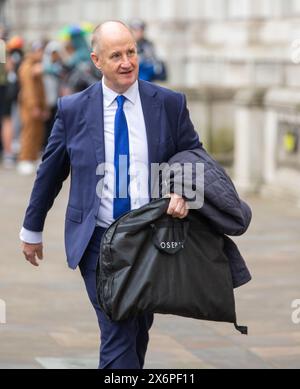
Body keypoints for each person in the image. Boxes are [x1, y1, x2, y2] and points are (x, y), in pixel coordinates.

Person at [20, 21, 200, 369]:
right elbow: (51, 172)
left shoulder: (168, 103)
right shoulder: (73, 110)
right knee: (117, 328)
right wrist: (32, 229)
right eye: (115, 55)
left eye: (130, 52)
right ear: (96, 61)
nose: (126, 62)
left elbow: (193, 154)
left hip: (152, 239)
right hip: (97, 241)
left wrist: (184, 191)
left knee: (137, 329)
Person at [18, 40, 48, 175]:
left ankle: (33, 156)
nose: (42, 54)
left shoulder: (36, 65)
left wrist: (43, 106)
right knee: (29, 131)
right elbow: (28, 89)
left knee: (38, 131)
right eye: (40, 51)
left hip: (38, 104)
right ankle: (24, 158)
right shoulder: (26, 67)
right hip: (29, 105)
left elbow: (41, 89)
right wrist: (33, 106)